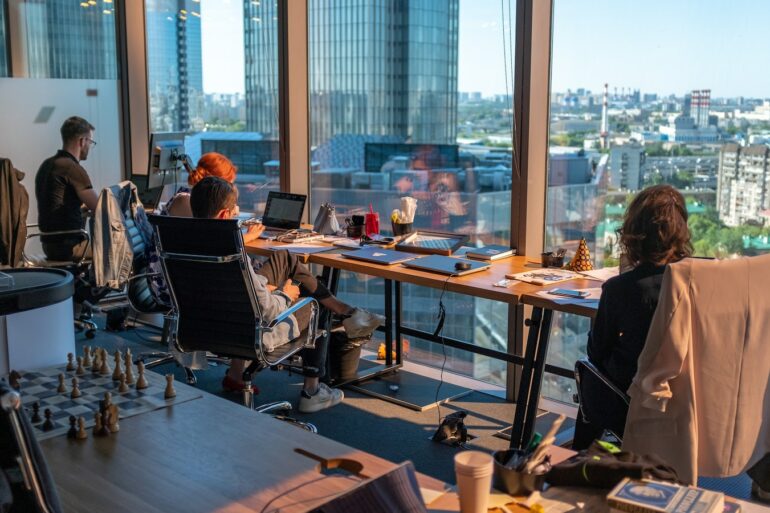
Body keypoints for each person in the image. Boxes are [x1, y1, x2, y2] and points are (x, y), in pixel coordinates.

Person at [189, 176, 383, 412]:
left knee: (284, 258)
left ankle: (237, 374)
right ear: (222, 215)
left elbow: (232, 288)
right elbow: (266, 309)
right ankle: (312, 391)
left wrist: (261, 285)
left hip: (207, 328)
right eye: (234, 210)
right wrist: (284, 294)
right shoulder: (231, 252)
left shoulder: (186, 240)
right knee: (314, 304)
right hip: (250, 331)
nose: (237, 215)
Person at [574, 185, 693, 448]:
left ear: (633, 233)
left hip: (632, 400)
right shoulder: (698, 282)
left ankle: (579, 463)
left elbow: (596, 353)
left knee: (588, 369)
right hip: (689, 397)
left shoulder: (620, 289)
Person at [35, 116, 99, 262]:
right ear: (82, 141)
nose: (90, 146)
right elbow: (101, 207)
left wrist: (80, 210)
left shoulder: (47, 165)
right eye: (90, 141)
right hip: (69, 247)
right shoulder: (72, 168)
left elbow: (56, 204)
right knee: (116, 250)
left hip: (49, 245)